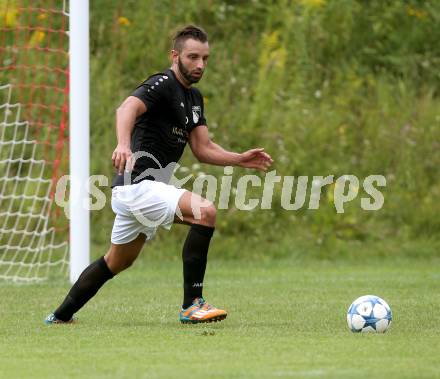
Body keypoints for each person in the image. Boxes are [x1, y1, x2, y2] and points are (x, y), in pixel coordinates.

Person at [45, 25, 273, 325]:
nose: (200, 65)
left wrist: (239, 159)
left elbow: (202, 148)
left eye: (205, 58)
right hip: (137, 184)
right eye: (193, 57)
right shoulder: (162, 84)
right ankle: (192, 305)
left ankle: (60, 315)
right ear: (175, 55)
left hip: (139, 192)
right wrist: (123, 144)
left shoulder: (194, 99)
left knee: (117, 261)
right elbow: (125, 108)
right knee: (205, 212)